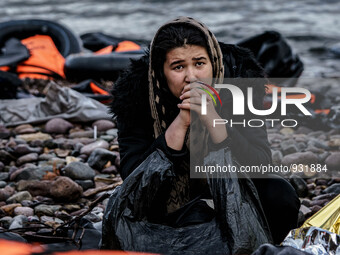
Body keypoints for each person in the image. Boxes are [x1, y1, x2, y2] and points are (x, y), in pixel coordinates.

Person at [110, 16, 300, 245]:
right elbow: (133, 180)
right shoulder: (136, 97)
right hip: (169, 206)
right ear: (161, 72)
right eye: (178, 67)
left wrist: (213, 120)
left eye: (199, 63)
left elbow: (260, 163)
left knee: (280, 194)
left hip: (231, 195)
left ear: (213, 62)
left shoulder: (240, 85)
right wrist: (181, 123)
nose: (191, 77)